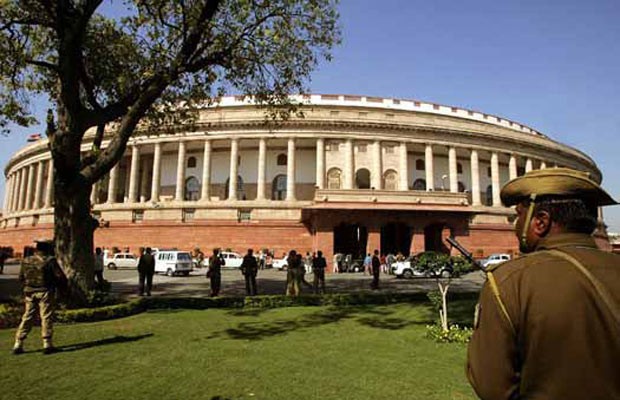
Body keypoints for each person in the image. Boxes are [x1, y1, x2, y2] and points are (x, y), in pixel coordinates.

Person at [466, 168, 620, 400]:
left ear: (541, 222)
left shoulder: (510, 281)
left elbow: (491, 386)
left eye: (518, 216)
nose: (516, 226)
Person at [13, 239, 67, 355]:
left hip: (29, 291)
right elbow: (60, 277)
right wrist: (61, 289)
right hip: (45, 291)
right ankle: (47, 343)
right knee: (46, 316)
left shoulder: (26, 260)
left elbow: (21, 277)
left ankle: (18, 342)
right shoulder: (50, 260)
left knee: (27, 316)